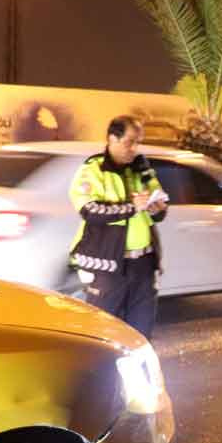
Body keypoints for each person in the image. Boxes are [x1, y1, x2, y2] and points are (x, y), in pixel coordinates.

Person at [67, 115, 168, 337]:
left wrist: (157, 208)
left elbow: (159, 208)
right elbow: (90, 210)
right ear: (112, 138)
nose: (134, 148)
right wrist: (131, 207)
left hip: (143, 265)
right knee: (105, 331)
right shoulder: (93, 170)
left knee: (141, 332)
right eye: (129, 142)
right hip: (110, 267)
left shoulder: (141, 169)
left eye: (138, 142)